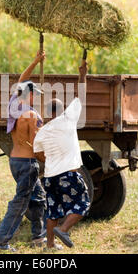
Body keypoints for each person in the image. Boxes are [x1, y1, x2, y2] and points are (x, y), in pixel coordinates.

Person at [0, 51, 47, 252]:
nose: (36, 99)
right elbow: (37, 146)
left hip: (15, 161)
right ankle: (1, 241)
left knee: (39, 198)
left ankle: (38, 237)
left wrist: (35, 61)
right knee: (20, 203)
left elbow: (21, 81)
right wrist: (47, 163)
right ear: (29, 94)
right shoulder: (33, 116)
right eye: (35, 95)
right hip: (28, 164)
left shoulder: (13, 106)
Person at [33, 65, 91, 249]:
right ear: (62, 110)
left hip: (50, 177)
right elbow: (81, 94)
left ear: (49, 113)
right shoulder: (68, 119)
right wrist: (83, 75)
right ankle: (64, 230)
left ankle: (50, 244)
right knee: (83, 204)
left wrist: (49, 161)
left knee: (53, 211)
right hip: (69, 175)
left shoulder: (42, 132)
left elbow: (37, 153)